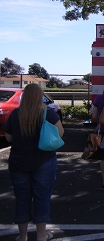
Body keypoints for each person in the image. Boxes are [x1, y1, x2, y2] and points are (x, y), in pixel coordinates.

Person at [4, 83, 64, 241]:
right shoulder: (48, 113)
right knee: (42, 197)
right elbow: (61, 132)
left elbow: (9, 137)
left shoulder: (16, 114)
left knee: (22, 198)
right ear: (40, 96)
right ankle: (41, 234)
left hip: (18, 162)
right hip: (44, 160)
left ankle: (22, 235)